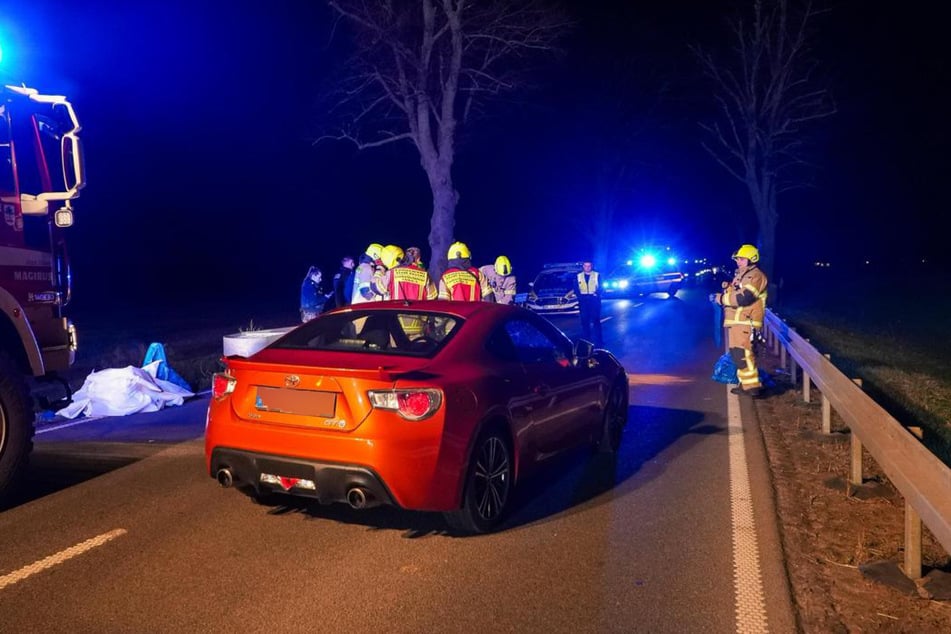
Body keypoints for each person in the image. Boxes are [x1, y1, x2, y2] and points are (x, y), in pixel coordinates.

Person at [714, 244, 769, 397]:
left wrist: (721, 298)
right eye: (737, 259)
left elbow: (744, 298)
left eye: (742, 259)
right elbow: (738, 290)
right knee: (738, 354)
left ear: (752, 260)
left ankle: (752, 387)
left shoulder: (756, 276)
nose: (738, 261)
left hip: (746, 322)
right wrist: (728, 286)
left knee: (743, 354)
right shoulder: (743, 275)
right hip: (738, 322)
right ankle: (747, 385)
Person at [573, 260, 603, 347]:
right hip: (583, 301)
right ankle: (587, 341)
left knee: (596, 321)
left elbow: (601, 286)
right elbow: (576, 288)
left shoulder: (597, 275)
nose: (587, 268)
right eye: (585, 266)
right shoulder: (578, 276)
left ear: (591, 266)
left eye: (589, 266)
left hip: (594, 300)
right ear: (583, 266)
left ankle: (599, 341)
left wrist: (597, 294)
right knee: (584, 321)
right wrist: (580, 297)